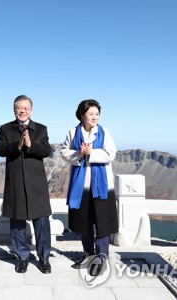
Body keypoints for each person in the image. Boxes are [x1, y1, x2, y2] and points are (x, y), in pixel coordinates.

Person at [0, 95, 53, 274]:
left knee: (42, 222)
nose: (22, 110)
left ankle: (44, 258)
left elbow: (46, 151)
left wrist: (30, 145)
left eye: (25, 108)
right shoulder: (5, 128)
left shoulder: (41, 129)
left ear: (31, 110)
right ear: (14, 109)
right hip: (15, 183)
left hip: (36, 183)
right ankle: (22, 257)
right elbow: (0, 150)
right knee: (17, 222)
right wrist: (17, 145)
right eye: (19, 108)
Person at [60, 99, 118, 271]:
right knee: (84, 223)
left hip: (102, 186)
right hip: (81, 186)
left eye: (97, 114)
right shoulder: (72, 132)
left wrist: (92, 153)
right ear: (82, 115)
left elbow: (111, 154)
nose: (95, 117)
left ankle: (101, 258)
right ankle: (88, 255)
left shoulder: (104, 132)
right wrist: (79, 153)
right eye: (91, 114)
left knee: (103, 223)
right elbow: (64, 152)